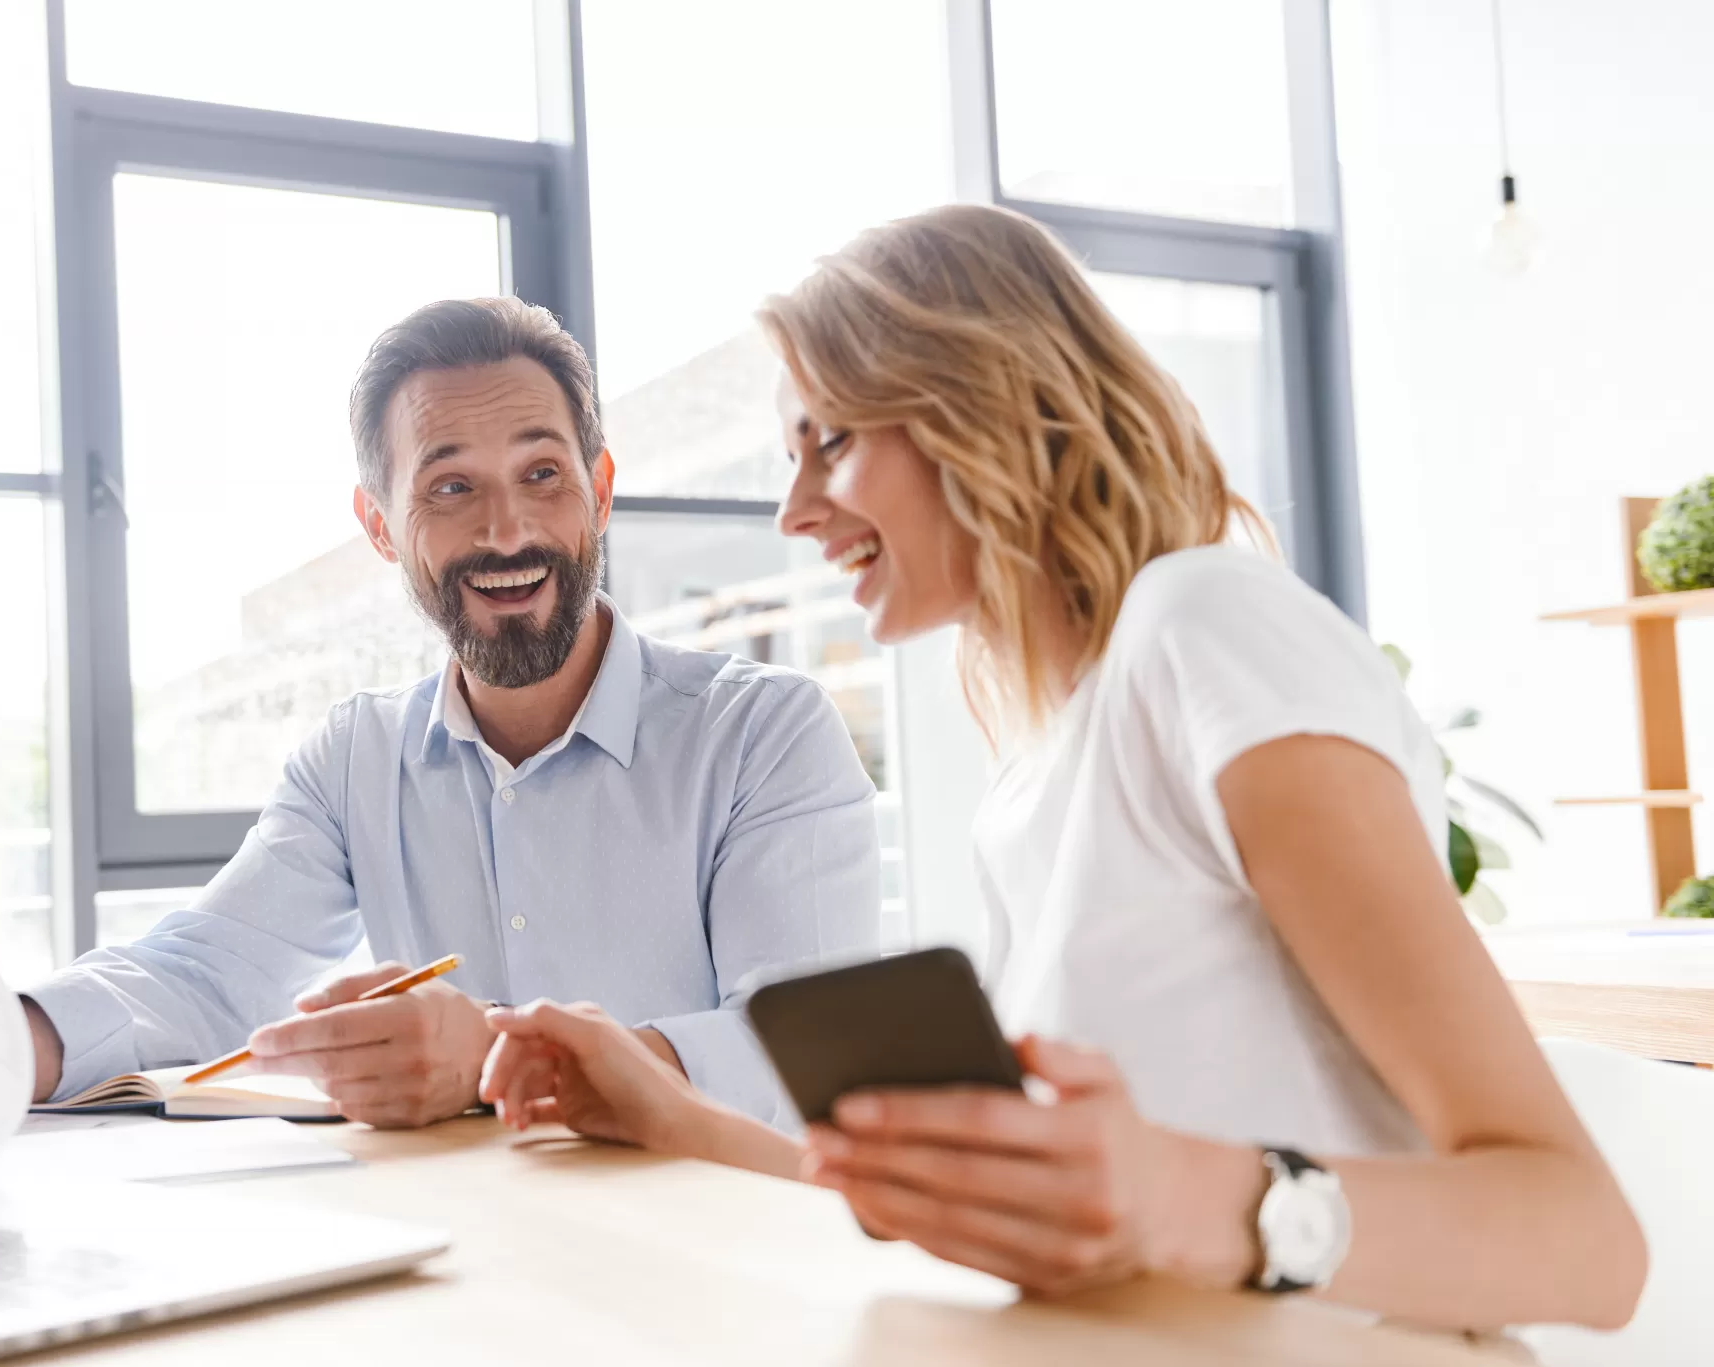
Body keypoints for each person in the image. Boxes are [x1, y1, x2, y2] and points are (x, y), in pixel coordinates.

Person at [476, 204, 1646, 1331]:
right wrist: (669, 1113)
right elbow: (1054, 1216)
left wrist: (1194, 1197)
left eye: (827, 441)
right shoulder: (1037, 771)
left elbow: (1584, 1240)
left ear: (978, 401)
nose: (792, 511)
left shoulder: (1204, 628)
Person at [0, 296, 881, 1129]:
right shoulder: (355, 759)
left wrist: (499, 1058)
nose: (507, 528)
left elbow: (802, 1046)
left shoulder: (762, 732)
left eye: (542, 473)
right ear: (379, 526)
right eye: (449, 488)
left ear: (599, 490)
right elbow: (206, 970)